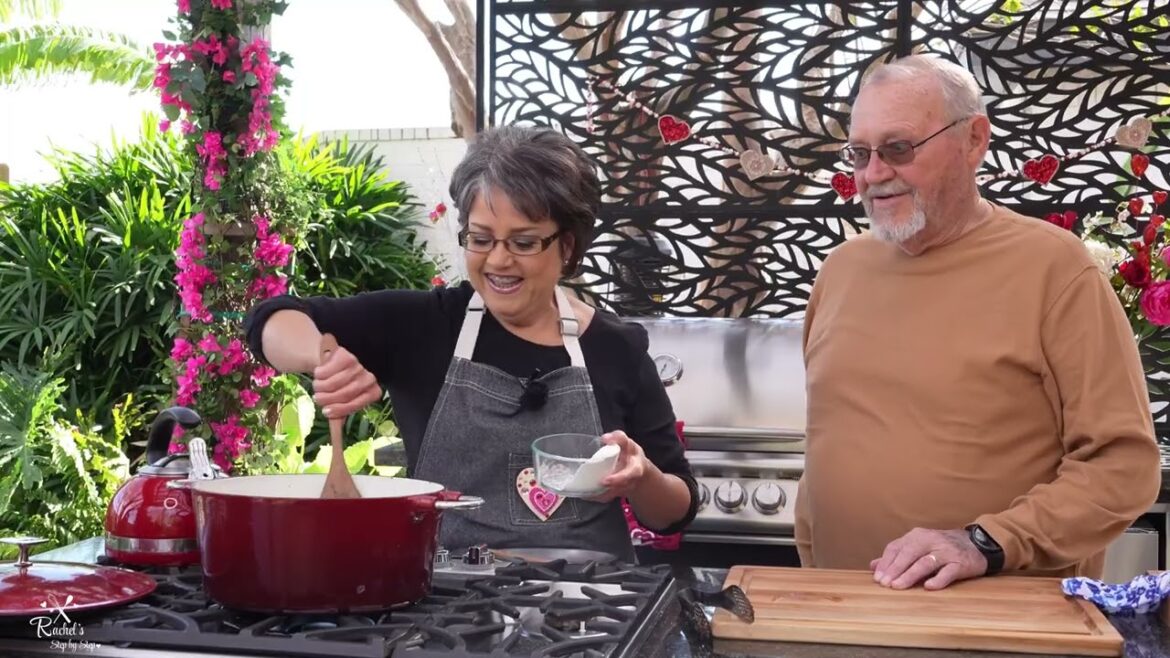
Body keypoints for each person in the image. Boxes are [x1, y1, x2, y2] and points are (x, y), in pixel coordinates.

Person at [244, 124, 698, 562]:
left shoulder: (616, 347)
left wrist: (641, 477)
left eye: (523, 243)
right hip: (447, 601)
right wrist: (321, 358)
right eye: (480, 239)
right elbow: (271, 320)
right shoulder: (423, 325)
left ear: (567, 246)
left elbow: (675, 512)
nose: (498, 260)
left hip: (593, 602)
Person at [795, 54, 1161, 591]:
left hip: (998, 622)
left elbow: (1123, 466)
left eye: (898, 148)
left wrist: (985, 542)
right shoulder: (841, 270)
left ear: (974, 140)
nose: (873, 174)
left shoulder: (1055, 269)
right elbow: (827, 446)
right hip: (842, 612)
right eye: (860, 153)